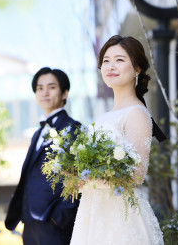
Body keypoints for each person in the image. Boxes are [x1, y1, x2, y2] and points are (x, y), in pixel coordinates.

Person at [70, 35, 165, 245]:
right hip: (93, 214)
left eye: (120, 60)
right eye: (106, 61)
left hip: (121, 217)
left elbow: (137, 175)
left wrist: (92, 179)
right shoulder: (103, 116)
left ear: (137, 68)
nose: (110, 66)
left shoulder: (136, 114)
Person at [5, 67, 80, 245]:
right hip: (30, 224)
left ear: (64, 93)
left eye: (51, 87)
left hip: (56, 225)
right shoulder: (37, 133)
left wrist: (60, 217)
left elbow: (79, 177)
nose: (44, 92)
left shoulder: (74, 129)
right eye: (39, 88)